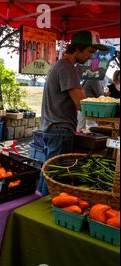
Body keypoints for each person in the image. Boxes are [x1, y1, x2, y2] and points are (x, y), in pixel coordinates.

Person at [38, 30, 108, 195]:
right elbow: (81, 103)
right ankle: (45, 207)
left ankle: (39, 201)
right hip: (60, 129)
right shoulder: (68, 68)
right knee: (56, 175)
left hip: (52, 126)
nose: (91, 56)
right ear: (78, 48)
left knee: (48, 171)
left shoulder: (60, 65)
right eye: (90, 51)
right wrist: (106, 113)